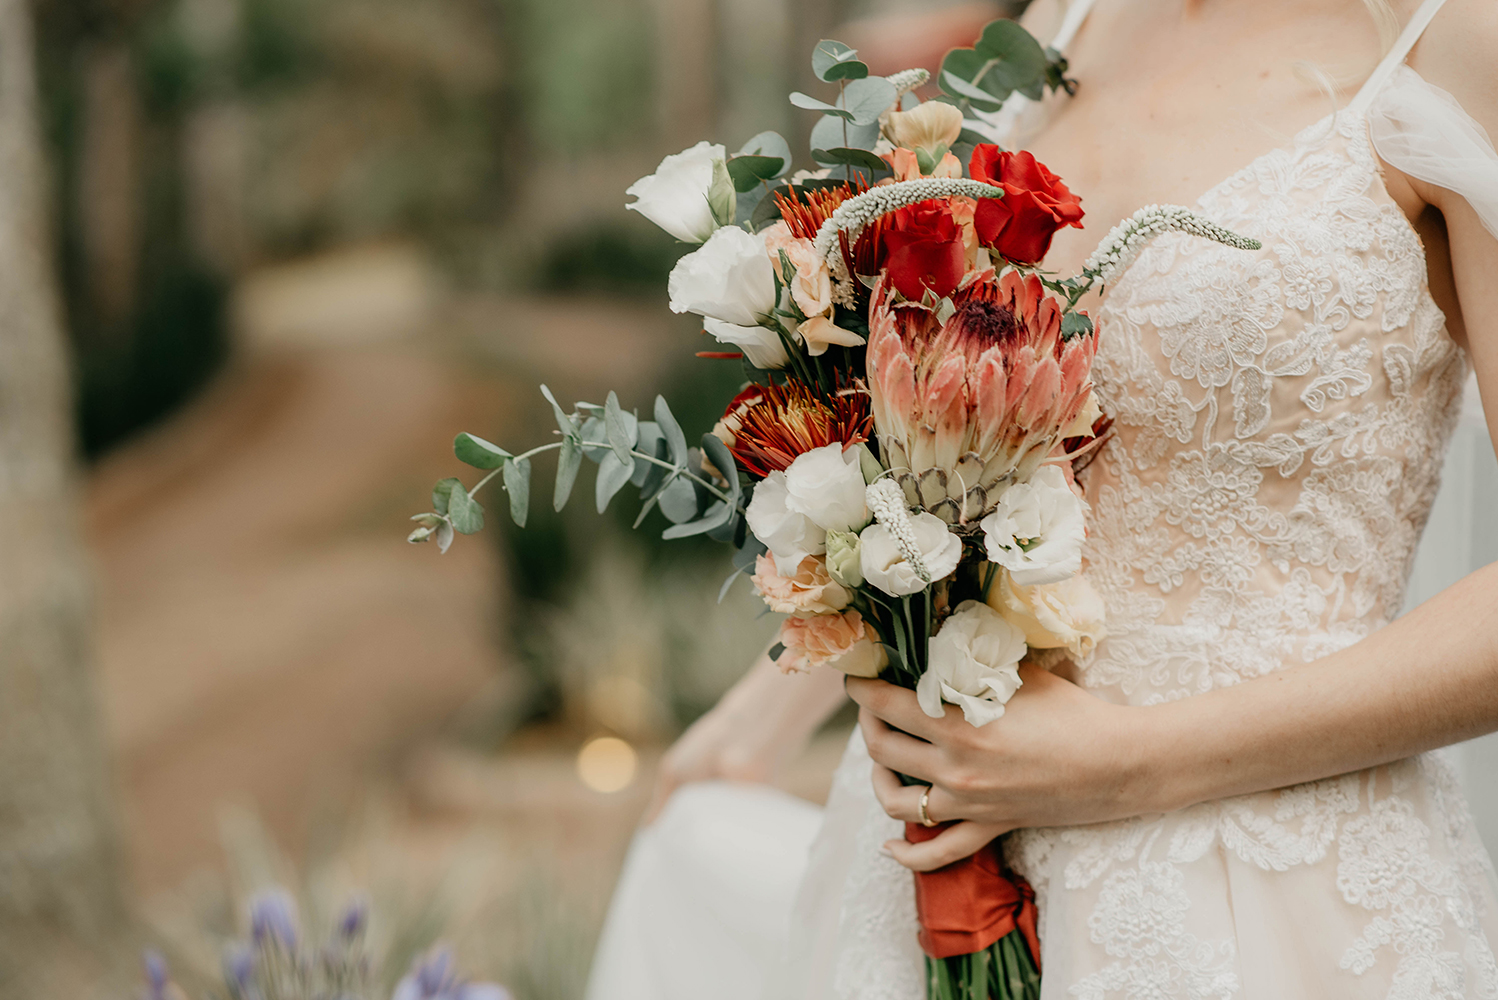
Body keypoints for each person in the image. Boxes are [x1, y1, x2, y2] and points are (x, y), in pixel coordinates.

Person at [587, 0, 1498, 996]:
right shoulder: (1074, 16)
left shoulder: (1454, 39)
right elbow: (969, 446)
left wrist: (1133, 760)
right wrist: (762, 710)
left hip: (1269, 895)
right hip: (933, 862)